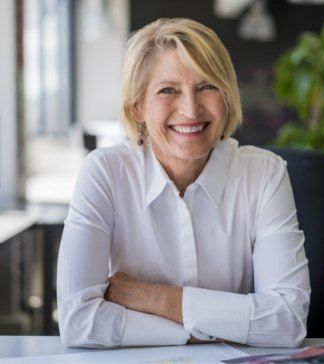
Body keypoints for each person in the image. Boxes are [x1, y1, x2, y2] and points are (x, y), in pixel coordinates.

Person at [57, 18, 310, 348]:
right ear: (137, 108)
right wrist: (212, 327)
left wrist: (153, 298)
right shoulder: (105, 173)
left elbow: (287, 321)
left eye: (207, 86)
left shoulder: (264, 174)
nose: (191, 109)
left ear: (228, 95)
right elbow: (78, 323)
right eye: (168, 90)